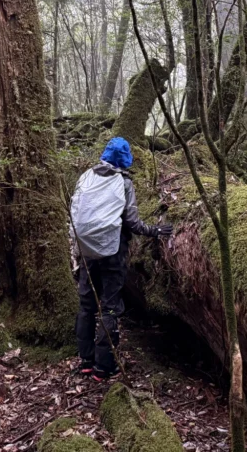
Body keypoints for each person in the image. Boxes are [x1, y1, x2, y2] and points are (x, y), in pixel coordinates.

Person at [70, 137, 172, 381]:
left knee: (86, 306)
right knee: (110, 306)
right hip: (113, 252)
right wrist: (156, 231)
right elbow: (132, 222)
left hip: (86, 252)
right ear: (125, 160)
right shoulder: (123, 182)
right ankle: (104, 367)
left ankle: (85, 360)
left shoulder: (86, 177)